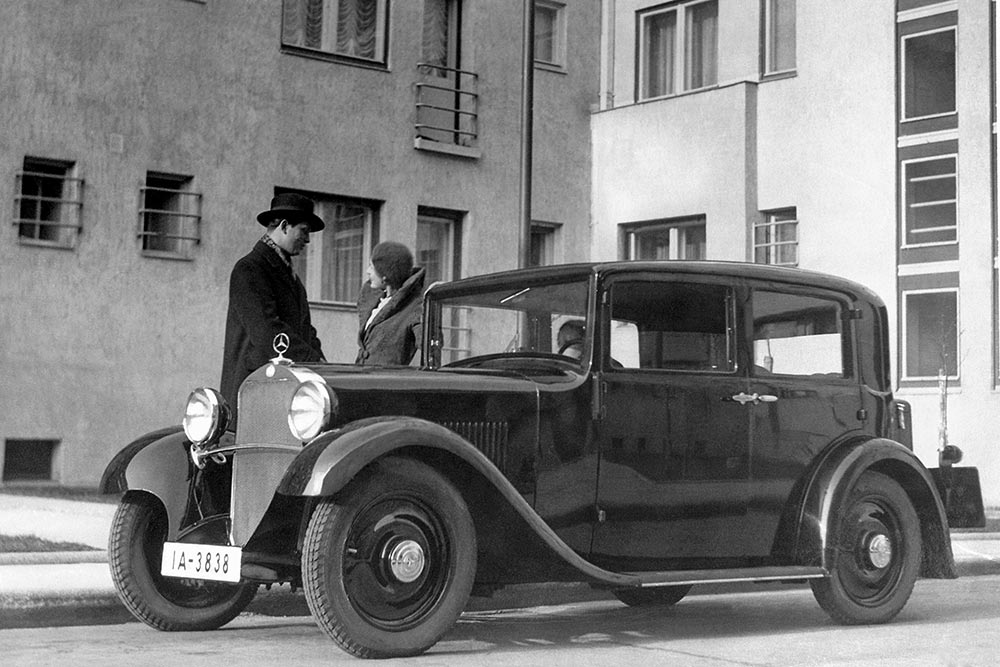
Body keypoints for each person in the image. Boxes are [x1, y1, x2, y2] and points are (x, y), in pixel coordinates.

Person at [220, 192, 326, 408]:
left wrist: (323, 365)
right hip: (254, 390)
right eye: (304, 231)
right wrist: (313, 362)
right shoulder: (250, 269)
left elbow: (305, 330)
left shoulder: (289, 276)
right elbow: (267, 331)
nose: (307, 240)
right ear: (284, 226)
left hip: (280, 388)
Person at [356, 241, 426, 366]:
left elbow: (428, 343)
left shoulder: (414, 307)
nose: (367, 271)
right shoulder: (377, 302)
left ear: (385, 274)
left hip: (386, 376)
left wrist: (432, 301)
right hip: (362, 374)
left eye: (371, 267)